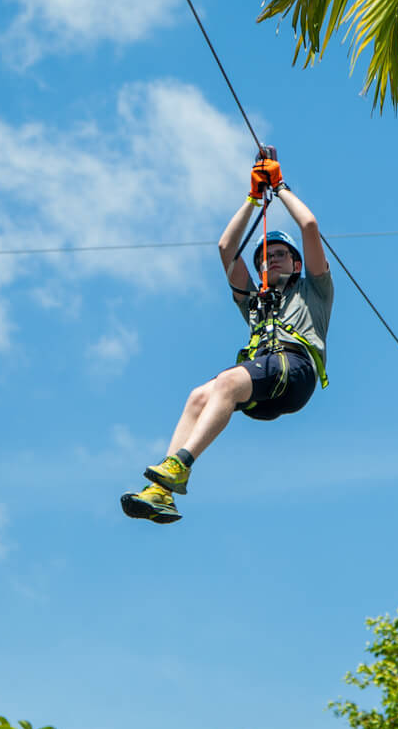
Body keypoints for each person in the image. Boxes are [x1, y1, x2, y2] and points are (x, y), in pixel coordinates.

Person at [122, 154, 332, 523]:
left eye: (280, 255)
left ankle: (180, 465)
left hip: (295, 370)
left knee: (228, 381)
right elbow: (225, 249)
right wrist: (252, 199)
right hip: (266, 384)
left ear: (296, 263)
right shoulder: (254, 300)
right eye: (264, 258)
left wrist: (280, 189)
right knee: (198, 396)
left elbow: (310, 225)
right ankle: (161, 492)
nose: (271, 260)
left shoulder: (313, 289)